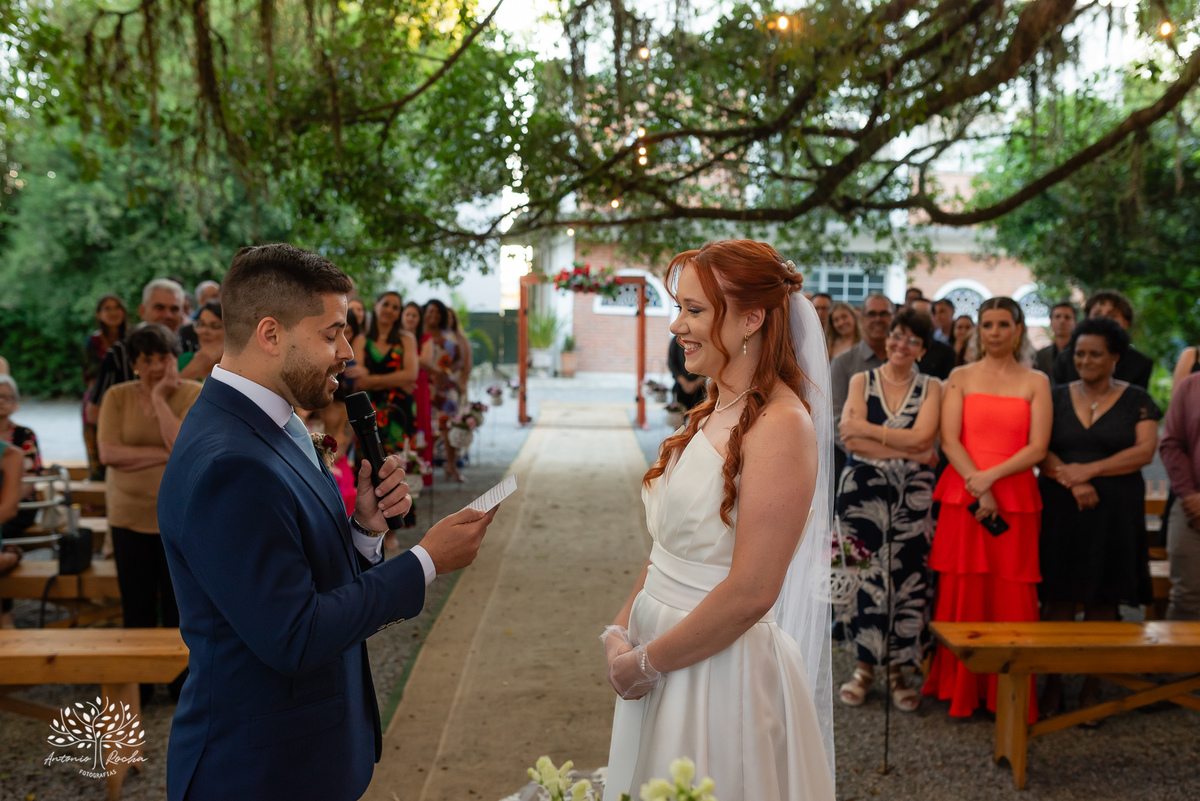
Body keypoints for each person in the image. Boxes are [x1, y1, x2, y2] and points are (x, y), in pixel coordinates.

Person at [157, 244, 497, 801]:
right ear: (271, 334)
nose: (347, 351)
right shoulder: (229, 463)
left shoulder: (274, 419)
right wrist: (426, 562)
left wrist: (364, 530)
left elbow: (299, 571)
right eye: (332, 333)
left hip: (304, 752)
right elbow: (295, 635)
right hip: (259, 772)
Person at [603, 240, 834, 801]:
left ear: (752, 318)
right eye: (678, 308)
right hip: (660, 649)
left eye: (695, 310)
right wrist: (621, 628)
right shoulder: (716, 405)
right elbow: (669, 549)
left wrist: (647, 663)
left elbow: (753, 591)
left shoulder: (781, 425)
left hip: (717, 671)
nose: (677, 325)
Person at [921, 297, 1051, 721]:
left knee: (1011, 589)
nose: (995, 332)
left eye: (1003, 324)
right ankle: (960, 688)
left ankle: (1009, 693)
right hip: (964, 494)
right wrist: (978, 484)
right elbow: (949, 439)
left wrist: (990, 479)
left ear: (1018, 329)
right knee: (963, 587)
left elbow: (1038, 447)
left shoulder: (1037, 381)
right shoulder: (959, 376)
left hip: (1013, 497)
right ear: (979, 329)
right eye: (988, 324)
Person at [1036, 316, 1160, 717]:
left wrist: (1089, 471)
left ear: (1115, 357)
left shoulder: (1138, 398)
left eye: (1095, 354)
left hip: (1115, 512)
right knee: (1058, 598)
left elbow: (1143, 452)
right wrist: (1072, 480)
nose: (1085, 361)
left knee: (1103, 598)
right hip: (1061, 508)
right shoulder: (1054, 396)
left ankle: (1092, 686)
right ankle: (1053, 684)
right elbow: (1038, 447)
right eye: (1080, 353)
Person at [835, 308, 941, 712]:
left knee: (907, 581)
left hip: (912, 501)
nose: (901, 344)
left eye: (913, 340)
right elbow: (850, 441)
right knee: (861, 577)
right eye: (897, 335)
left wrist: (870, 432)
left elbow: (925, 439)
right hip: (861, 496)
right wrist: (907, 447)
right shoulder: (861, 380)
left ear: (922, 349)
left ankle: (899, 671)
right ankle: (863, 668)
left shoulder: (933, 387)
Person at [97, 324, 202, 702]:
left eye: (164, 357)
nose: (157, 366)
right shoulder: (116, 396)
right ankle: (138, 685)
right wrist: (162, 455)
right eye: (148, 359)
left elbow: (184, 446)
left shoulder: (194, 393)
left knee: (181, 607)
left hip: (178, 519)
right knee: (136, 605)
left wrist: (159, 399)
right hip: (128, 517)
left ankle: (180, 684)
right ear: (135, 363)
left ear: (175, 359)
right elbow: (108, 453)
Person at [86, 278, 187, 427]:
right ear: (142, 311)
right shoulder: (120, 353)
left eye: (174, 309)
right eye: (159, 308)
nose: (168, 315)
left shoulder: (190, 349)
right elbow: (94, 413)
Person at [345, 291, 418, 454]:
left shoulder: (407, 339)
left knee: (399, 460)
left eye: (395, 307)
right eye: (386, 304)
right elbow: (358, 381)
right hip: (368, 410)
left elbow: (411, 375)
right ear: (376, 305)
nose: (389, 310)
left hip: (400, 408)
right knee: (369, 459)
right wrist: (397, 380)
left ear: (399, 313)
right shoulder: (361, 340)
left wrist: (371, 379)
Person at [832, 294, 893, 478]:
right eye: (872, 314)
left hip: (899, 461)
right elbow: (833, 417)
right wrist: (865, 452)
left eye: (884, 314)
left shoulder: (906, 364)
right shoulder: (843, 362)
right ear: (862, 319)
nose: (878, 319)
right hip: (853, 461)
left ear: (893, 317)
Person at [1051, 290, 1153, 388]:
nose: (1103, 319)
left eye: (1112, 316)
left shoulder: (1140, 364)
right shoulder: (1064, 360)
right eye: (1097, 314)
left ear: (1126, 323)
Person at [1161, 372, 1200, 621]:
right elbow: (1171, 444)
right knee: (1187, 599)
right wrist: (1190, 496)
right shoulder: (1191, 387)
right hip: (1191, 506)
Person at [83, 295, 129, 479]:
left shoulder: (133, 339)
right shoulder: (92, 342)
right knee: (99, 459)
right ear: (98, 314)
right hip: (98, 400)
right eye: (107, 308)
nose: (113, 312)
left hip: (129, 400)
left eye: (117, 307)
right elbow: (90, 375)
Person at [421, 299, 467, 482]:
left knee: (449, 427)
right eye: (430, 311)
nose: (433, 315)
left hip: (446, 387)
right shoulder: (418, 334)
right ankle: (423, 468)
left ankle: (451, 466)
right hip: (425, 386)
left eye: (437, 312)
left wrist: (445, 372)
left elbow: (460, 360)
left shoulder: (450, 335)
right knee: (427, 428)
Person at [0, 374, 43, 539]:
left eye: (6, 397)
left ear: (15, 403)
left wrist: (8, 500)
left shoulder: (24, 435)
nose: (1, 401)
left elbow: (32, 476)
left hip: (19, 503)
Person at [401, 301, 434, 488]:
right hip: (401, 385)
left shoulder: (425, 338)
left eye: (414, 315)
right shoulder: (397, 337)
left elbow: (426, 360)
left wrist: (406, 357)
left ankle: (422, 473)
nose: (411, 318)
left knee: (422, 424)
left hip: (419, 386)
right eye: (408, 314)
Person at [178, 300, 224, 381]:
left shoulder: (236, 366)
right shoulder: (186, 359)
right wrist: (200, 360)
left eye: (215, 326)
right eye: (201, 324)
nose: (205, 331)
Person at [910, 298, 955, 380]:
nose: (918, 319)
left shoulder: (946, 352)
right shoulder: (899, 348)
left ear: (933, 317)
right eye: (914, 314)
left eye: (924, 314)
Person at [1034, 302, 1076, 377]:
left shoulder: (1080, 354)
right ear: (1051, 322)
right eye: (1057, 317)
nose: (1062, 321)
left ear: (1075, 323)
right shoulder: (1040, 356)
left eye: (1067, 317)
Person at [666, 337, 705, 410]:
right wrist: (683, 382)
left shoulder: (703, 339)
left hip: (700, 388)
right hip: (680, 386)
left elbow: (708, 363)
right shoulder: (676, 340)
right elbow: (671, 363)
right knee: (678, 413)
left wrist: (696, 383)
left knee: (699, 414)